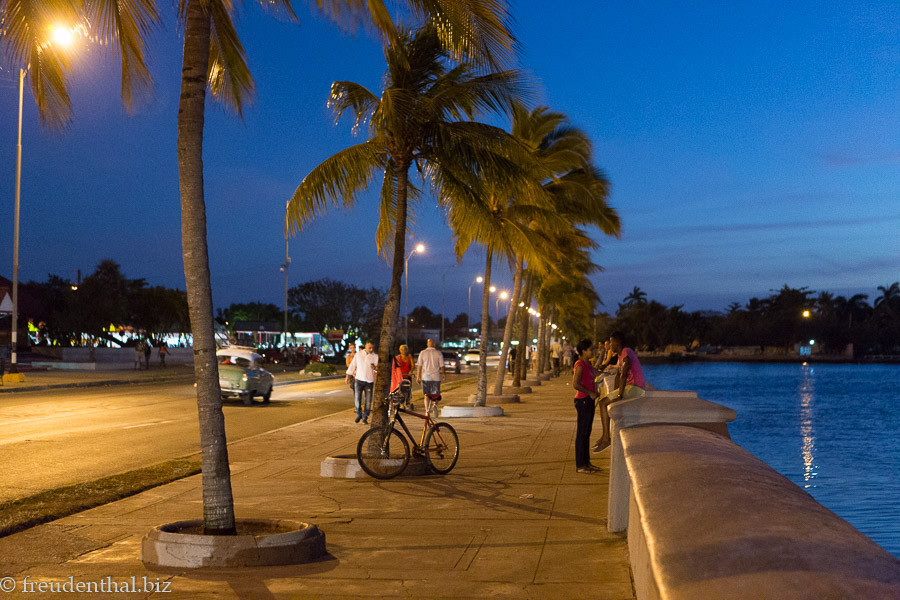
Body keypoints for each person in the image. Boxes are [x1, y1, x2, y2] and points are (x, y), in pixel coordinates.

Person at [592, 331, 646, 454]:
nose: (610, 345)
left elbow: (624, 372)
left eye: (611, 342)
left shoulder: (626, 352)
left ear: (617, 343)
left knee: (602, 403)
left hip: (636, 388)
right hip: (630, 386)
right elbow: (618, 375)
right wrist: (615, 391)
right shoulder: (621, 354)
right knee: (604, 401)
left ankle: (606, 438)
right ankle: (605, 437)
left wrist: (619, 395)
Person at [572, 339, 601, 473]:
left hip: (589, 401)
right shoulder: (580, 365)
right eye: (590, 349)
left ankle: (586, 463)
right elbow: (575, 384)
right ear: (583, 351)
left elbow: (595, 376)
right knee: (582, 433)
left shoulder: (588, 364)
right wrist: (590, 392)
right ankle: (580, 465)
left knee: (587, 433)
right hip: (583, 401)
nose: (593, 351)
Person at [346, 341, 378, 424]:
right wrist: (348, 377)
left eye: (372, 348)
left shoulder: (375, 356)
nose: (371, 349)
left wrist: (374, 368)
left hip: (369, 381)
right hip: (359, 380)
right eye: (369, 347)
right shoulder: (359, 354)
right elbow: (352, 365)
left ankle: (365, 417)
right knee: (357, 399)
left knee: (368, 401)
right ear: (366, 346)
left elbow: (378, 369)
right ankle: (359, 414)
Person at [416, 338, 445, 418]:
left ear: (427, 344)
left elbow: (419, 365)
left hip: (426, 376)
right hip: (435, 377)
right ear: (434, 344)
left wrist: (418, 376)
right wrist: (443, 374)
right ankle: (435, 405)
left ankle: (427, 411)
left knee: (427, 395)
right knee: (436, 395)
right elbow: (442, 365)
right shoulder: (438, 353)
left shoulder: (422, 353)